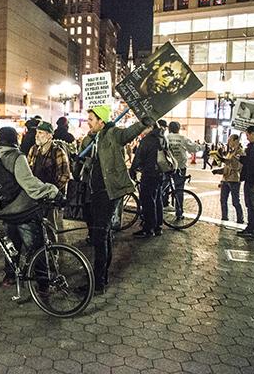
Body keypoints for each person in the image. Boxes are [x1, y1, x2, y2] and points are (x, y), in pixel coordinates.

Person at [81, 105, 149, 293]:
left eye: (91, 120)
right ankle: (101, 277)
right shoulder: (95, 137)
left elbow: (128, 133)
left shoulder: (112, 133)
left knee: (99, 236)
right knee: (102, 234)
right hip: (97, 192)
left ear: (101, 121)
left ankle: (98, 283)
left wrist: (143, 122)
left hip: (107, 192)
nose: (88, 123)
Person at [0, 127, 58, 287]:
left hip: (2, 210)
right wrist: (52, 191)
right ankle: (44, 283)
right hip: (21, 211)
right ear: (14, 139)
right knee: (36, 246)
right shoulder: (17, 157)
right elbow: (30, 184)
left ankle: (10, 276)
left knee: (11, 243)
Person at [27, 121, 70, 236]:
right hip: (35, 195)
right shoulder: (33, 150)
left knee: (50, 227)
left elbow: (65, 175)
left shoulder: (58, 152)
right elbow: (28, 172)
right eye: (37, 132)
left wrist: (52, 191)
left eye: (40, 132)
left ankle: (53, 252)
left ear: (49, 135)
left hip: (50, 198)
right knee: (34, 227)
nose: (37, 135)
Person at [130, 123, 167, 238]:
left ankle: (148, 228)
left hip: (149, 173)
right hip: (160, 173)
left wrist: (133, 169)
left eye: (144, 127)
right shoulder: (162, 137)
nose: (142, 130)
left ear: (151, 127)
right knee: (157, 200)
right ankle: (158, 226)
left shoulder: (147, 140)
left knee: (147, 201)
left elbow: (139, 156)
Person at [166, 121, 202, 218]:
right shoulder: (183, 138)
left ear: (169, 128)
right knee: (179, 190)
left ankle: (163, 205)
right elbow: (193, 148)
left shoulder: (166, 138)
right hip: (180, 167)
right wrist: (201, 147)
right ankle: (179, 212)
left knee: (164, 188)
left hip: (167, 167)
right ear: (178, 129)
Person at [216, 134, 244, 224]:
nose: (228, 142)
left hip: (234, 180)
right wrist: (218, 171)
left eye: (230, 140)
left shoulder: (240, 152)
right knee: (223, 200)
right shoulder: (230, 152)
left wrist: (224, 160)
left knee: (235, 201)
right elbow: (227, 166)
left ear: (236, 141)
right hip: (225, 179)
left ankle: (240, 219)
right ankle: (224, 218)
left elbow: (236, 166)